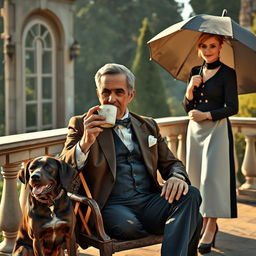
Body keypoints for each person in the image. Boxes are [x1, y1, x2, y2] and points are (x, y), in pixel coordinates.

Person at [61, 63, 202, 256]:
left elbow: (172, 164)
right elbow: (63, 169)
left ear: (130, 95)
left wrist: (177, 177)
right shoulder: (80, 123)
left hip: (149, 201)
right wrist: (85, 142)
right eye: (106, 92)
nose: (111, 99)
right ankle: (176, 228)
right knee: (131, 227)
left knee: (191, 195)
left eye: (119, 92)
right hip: (111, 205)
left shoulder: (148, 125)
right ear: (98, 94)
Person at [183, 33, 238, 254]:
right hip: (195, 131)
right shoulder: (194, 72)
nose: (208, 50)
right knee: (195, 179)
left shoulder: (228, 74)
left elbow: (233, 107)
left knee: (211, 179)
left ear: (220, 47)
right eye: (203, 46)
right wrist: (189, 89)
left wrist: (207, 116)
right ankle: (203, 223)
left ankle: (211, 225)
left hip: (216, 130)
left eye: (212, 46)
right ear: (199, 48)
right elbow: (187, 108)